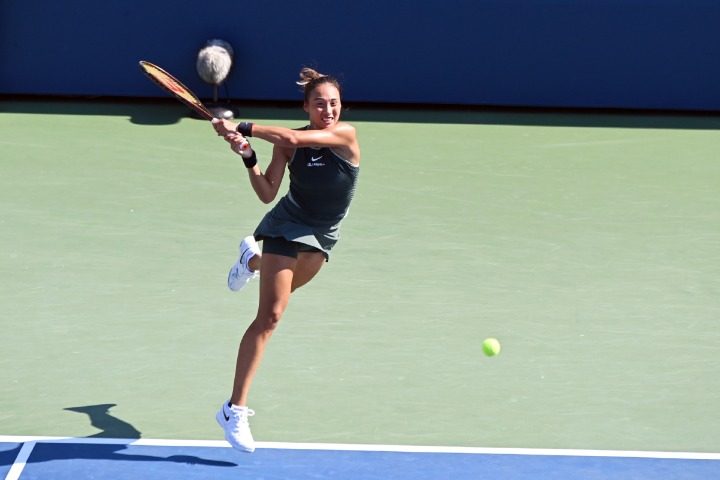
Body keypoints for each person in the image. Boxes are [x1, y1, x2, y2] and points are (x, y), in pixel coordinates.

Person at [211, 67, 361, 453]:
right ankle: (234, 410)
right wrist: (248, 157)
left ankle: (251, 261)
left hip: (323, 233)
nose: (328, 110)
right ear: (306, 107)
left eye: (334, 103)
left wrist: (242, 126)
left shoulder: (345, 135)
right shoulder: (287, 145)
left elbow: (292, 136)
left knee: (283, 286)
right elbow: (267, 192)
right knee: (271, 315)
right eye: (319, 104)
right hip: (287, 223)